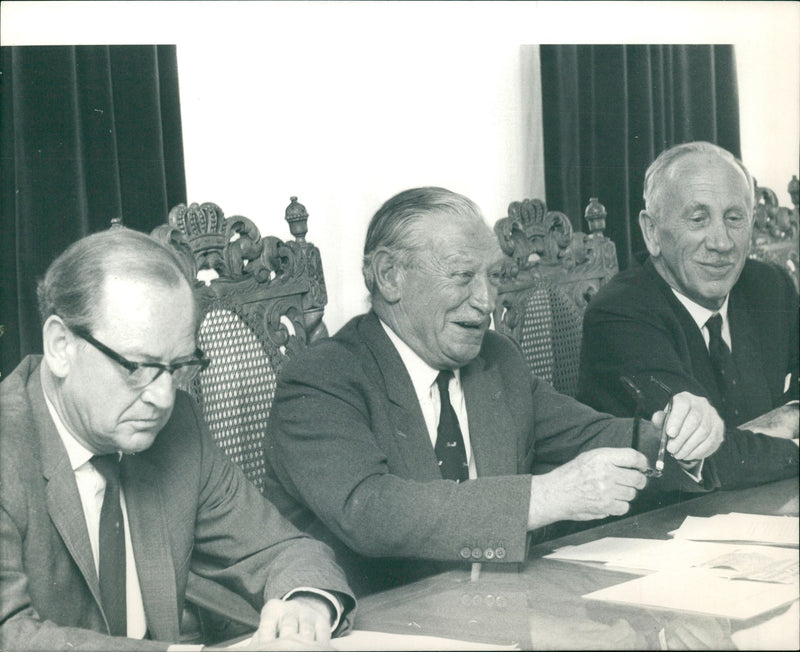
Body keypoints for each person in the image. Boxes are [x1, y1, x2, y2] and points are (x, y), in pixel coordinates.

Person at [262, 186, 725, 596]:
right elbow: (371, 511)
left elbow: (593, 435)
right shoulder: (321, 377)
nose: (486, 302)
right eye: (464, 277)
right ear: (389, 276)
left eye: (492, 278)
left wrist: (678, 438)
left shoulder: (495, 360)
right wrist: (542, 497)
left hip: (506, 611)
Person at [0, 229, 355, 651]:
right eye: (138, 367)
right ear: (61, 346)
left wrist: (307, 605)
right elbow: (10, 635)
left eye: (179, 366)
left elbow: (283, 549)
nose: (164, 396)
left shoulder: (176, 426)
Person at [578, 141, 798, 499]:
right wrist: (786, 424)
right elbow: (702, 458)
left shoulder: (768, 286)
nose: (721, 243)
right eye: (698, 220)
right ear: (652, 232)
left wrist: (784, 419)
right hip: (661, 529)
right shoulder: (619, 314)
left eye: (734, 218)